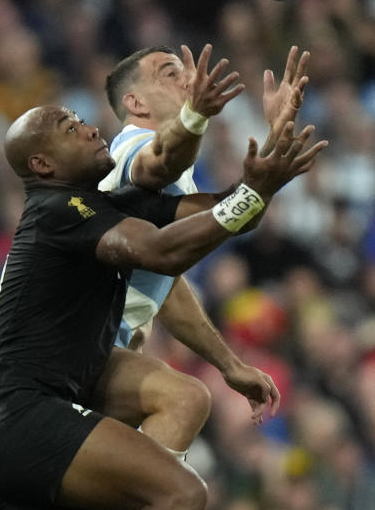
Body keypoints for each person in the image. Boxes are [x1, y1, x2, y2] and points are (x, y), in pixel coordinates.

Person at [0, 104, 326, 510]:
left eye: (82, 121)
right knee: (181, 492)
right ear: (42, 164)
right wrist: (249, 196)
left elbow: (229, 211)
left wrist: (262, 183)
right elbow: (163, 253)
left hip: (44, 407)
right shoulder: (57, 212)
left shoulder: (102, 207)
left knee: (184, 399)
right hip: (18, 419)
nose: (90, 130)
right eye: (71, 129)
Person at [93, 44, 309, 453]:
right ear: (134, 102)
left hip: (103, 361)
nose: (187, 79)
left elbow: (172, 280)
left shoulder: (171, 192)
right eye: (168, 73)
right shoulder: (125, 149)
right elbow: (160, 163)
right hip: (79, 354)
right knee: (185, 406)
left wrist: (275, 138)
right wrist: (196, 114)